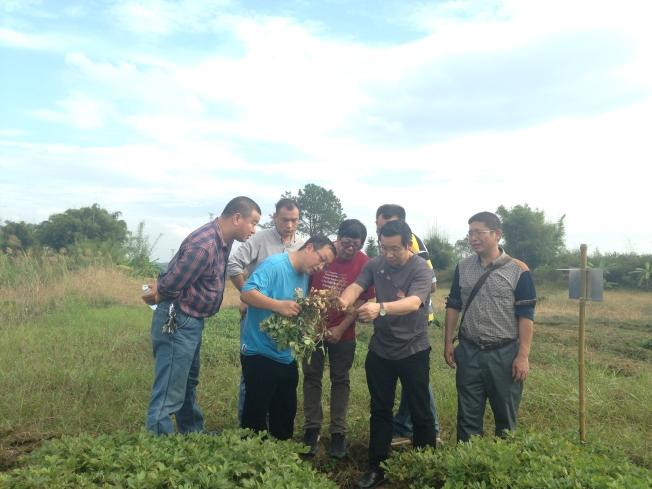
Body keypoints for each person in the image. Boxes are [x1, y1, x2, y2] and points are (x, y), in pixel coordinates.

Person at [143, 196, 261, 435]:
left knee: (187, 381)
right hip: (179, 320)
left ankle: (191, 433)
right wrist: (157, 294)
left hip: (191, 319)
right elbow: (171, 283)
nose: (254, 229)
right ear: (237, 218)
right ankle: (157, 446)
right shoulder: (205, 245)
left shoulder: (223, 240)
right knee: (169, 388)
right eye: (253, 222)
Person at [339, 220, 436, 489]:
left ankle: (424, 466)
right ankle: (377, 467)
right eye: (384, 248)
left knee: (421, 411)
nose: (389, 255)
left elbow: (414, 303)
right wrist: (344, 300)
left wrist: (379, 308)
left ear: (408, 245)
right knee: (380, 410)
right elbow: (357, 286)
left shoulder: (420, 268)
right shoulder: (375, 264)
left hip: (413, 350)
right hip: (381, 351)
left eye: (395, 249)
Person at [444, 211, 536, 442]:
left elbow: (526, 315)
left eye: (479, 233)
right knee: (467, 417)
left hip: (504, 354)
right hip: (469, 351)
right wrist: (448, 342)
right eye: (470, 233)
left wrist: (523, 355)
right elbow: (453, 305)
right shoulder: (463, 267)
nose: (473, 238)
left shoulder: (519, 270)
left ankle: (501, 470)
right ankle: (467, 465)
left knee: (505, 418)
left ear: (497, 235)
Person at [240, 236, 336, 440]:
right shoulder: (274, 265)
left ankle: (281, 459)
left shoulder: (304, 274)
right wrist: (278, 305)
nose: (321, 267)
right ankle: (249, 461)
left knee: (284, 414)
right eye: (321, 259)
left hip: (285, 356)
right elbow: (247, 293)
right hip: (259, 353)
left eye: (325, 264)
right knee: (255, 417)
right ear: (309, 248)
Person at [302, 219, 374, 459]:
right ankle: (312, 430)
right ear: (338, 237)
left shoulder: (365, 263)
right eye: (346, 242)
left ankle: (338, 434)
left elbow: (364, 299)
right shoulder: (324, 255)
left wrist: (342, 327)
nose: (350, 248)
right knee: (312, 377)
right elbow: (304, 287)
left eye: (356, 244)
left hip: (345, 332)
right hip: (313, 330)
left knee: (340, 380)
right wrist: (312, 326)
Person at [227, 198, 303, 423]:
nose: (289, 225)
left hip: (287, 322)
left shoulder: (301, 245)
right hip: (257, 319)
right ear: (274, 217)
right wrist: (247, 295)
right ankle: (247, 426)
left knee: (282, 373)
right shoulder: (260, 239)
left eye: (294, 220)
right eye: (284, 220)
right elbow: (233, 265)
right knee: (252, 374)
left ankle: (273, 423)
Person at [374, 204, 441, 445]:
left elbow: (426, 289)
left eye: (383, 222)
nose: (388, 253)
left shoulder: (417, 253)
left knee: (418, 394)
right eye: (379, 225)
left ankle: (430, 435)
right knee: (384, 404)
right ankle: (399, 431)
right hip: (383, 345)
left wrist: (388, 303)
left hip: (414, 336)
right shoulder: (378, 260)